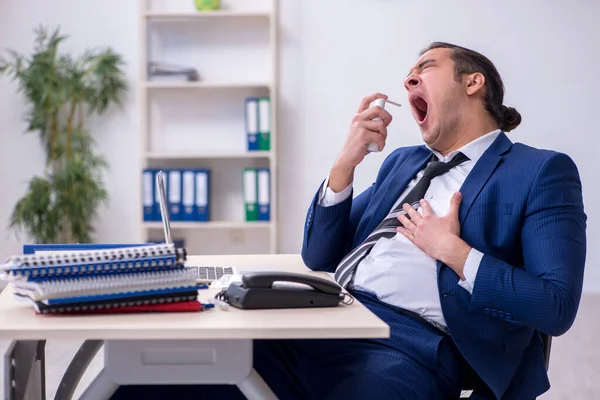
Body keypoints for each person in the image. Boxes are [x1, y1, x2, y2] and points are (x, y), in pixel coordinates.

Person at [112, 42, 587, 400]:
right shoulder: (404, 162)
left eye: (425, 68)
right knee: (153, 379)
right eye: (407, 75)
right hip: (320, 320)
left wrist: (454, 252)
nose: (409, 81)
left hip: (406, 347)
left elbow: (556, 305)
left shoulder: (540, 170)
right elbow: (319, 255)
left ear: (472, 82)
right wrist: (346, 162)